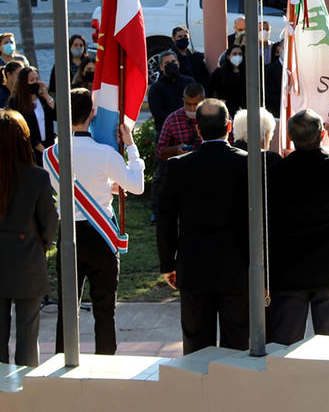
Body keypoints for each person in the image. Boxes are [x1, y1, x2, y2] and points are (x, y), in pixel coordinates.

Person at [48, 88, 145, 355]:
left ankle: (61, 362)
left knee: (67, 311)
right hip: (101, 236)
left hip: (69, 233)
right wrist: (132, 147)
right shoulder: (104, 153)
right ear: (92, 113)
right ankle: (106, 365)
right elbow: (137, 186)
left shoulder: (50, 156)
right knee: (105, 312)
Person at [158, 98, 250, 354]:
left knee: (197, 347)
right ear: (229, 126)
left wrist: (168, 264)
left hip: (195, 266)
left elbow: (165, 219)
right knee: (238, 343)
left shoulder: (178, 166)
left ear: (197, 129)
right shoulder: (248, 163)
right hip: (238, 266)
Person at [267, 111, 329, 344]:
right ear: (322, 134)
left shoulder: (275, 172)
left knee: (283, 352)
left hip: (290, 274)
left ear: (290, 137)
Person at [0, 110, 57, 366]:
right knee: (28, 333)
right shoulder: (37, 177)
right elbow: (49, 221)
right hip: (28, 260)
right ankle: (25, 392)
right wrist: (41, 243)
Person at [153, 83, 205, 226]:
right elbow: (160, 150)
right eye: (188, 104)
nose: (192, 109)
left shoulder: (212, 115)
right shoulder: (172, 119)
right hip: (182, 174)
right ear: (183, 100)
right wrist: (176, 149)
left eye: (196, 104)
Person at [6, 66, 55, 166]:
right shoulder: (15, 102)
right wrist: (41, 148)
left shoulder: (42, 99)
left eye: (37, 79)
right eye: (31, 80)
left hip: (47, 147)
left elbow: (56, 114)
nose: (35, 82)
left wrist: (46, 95)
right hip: (29, 150)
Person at [148, 50, 193, 133]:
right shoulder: (155, 88)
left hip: (189, 129)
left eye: (173, 61)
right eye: (167, 63)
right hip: (166, 131)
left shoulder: (189, 82)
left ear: (178, 63)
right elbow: (157, 113)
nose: (171, 65)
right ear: (161, 67)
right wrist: (175, 123)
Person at [207, 44, 247, 117]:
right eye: (234, 54)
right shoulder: (219, 72)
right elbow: (209, 90)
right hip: (226, 110)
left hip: (244, 111)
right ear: (228, 56)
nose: (237, 56)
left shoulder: (246, 72)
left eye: (240, 54)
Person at [264, 41, 284, 118]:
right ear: (279, 49)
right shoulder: (269, 71)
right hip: (277, 115)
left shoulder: (299, 70)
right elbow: (270, 97)